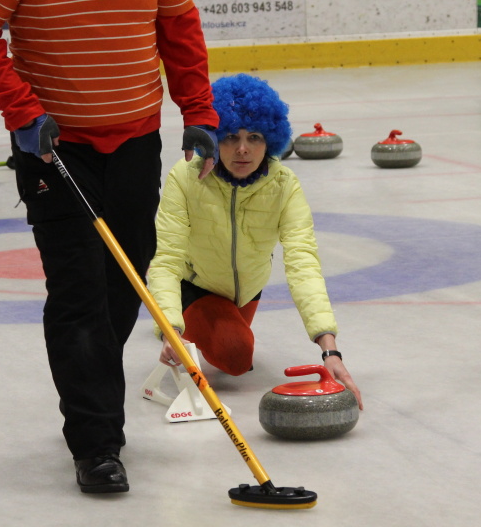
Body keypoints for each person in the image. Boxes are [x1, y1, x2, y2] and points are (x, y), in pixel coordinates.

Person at [0, 0, 220, 493]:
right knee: (78, 293)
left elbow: (178, 25)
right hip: (54, 148)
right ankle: (97, 441)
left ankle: (89, 390)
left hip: (133, 139)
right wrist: (22, 111)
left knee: (124, 282)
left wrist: (198, 110)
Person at [148, 73, 363, 409]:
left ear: (271, 140)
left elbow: (303, 263)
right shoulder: (186, 178)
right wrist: (169, 328)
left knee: (233, 343)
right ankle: (185, 319)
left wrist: (329, 349)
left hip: (246, 291)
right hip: (194, 283)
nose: (243, 149)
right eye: (231, 136)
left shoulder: (284, 185)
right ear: (214, 137)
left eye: (255, 137)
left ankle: (207, 323)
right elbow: (166, 258)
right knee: (235, 355)